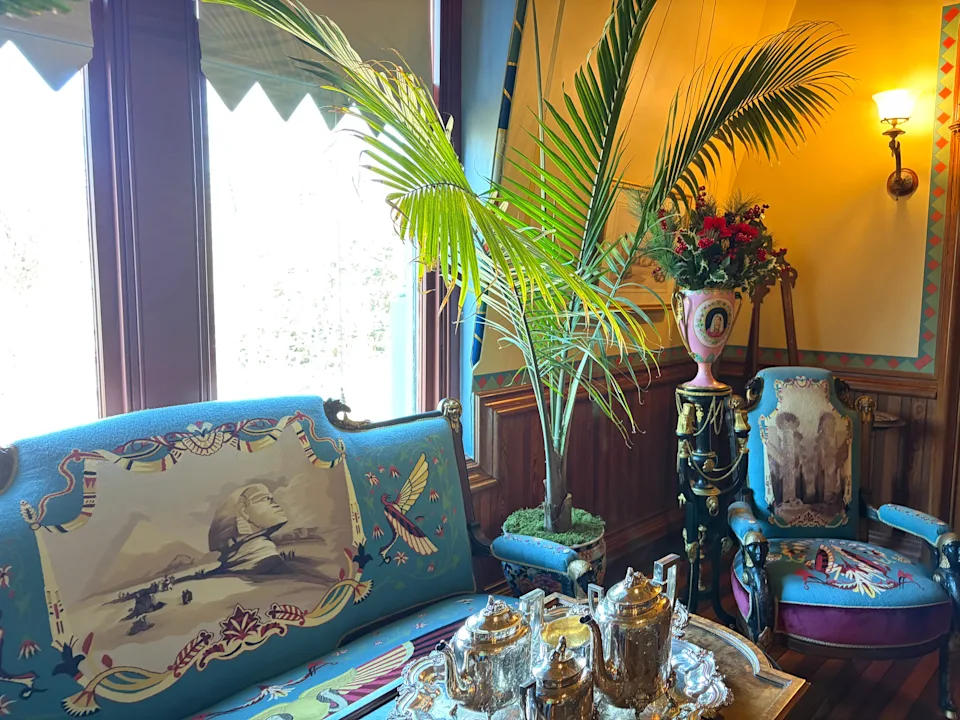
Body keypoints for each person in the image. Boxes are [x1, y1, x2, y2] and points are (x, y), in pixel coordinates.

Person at [208, 483, 289, 574]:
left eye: (272, 498)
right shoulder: (261, 559)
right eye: (265, 498)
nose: (275, 503)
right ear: (243, 511)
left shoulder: (266, 554)